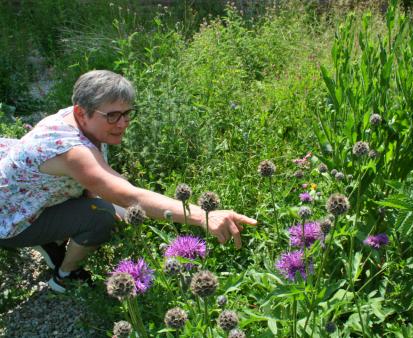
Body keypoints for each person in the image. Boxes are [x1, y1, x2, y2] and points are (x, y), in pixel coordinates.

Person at [0, 70, 257, 293]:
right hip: (9, 222)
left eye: (126, 114)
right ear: (82, 112)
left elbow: (103, 182)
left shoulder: (75, 119)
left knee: (113, 209)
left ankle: (53, 237)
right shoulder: (72, 151)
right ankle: (64, 275)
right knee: (101, 215)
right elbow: (128, 197)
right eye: (112, 116)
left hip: (21, 198)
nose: (122, 123)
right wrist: (203, 216)